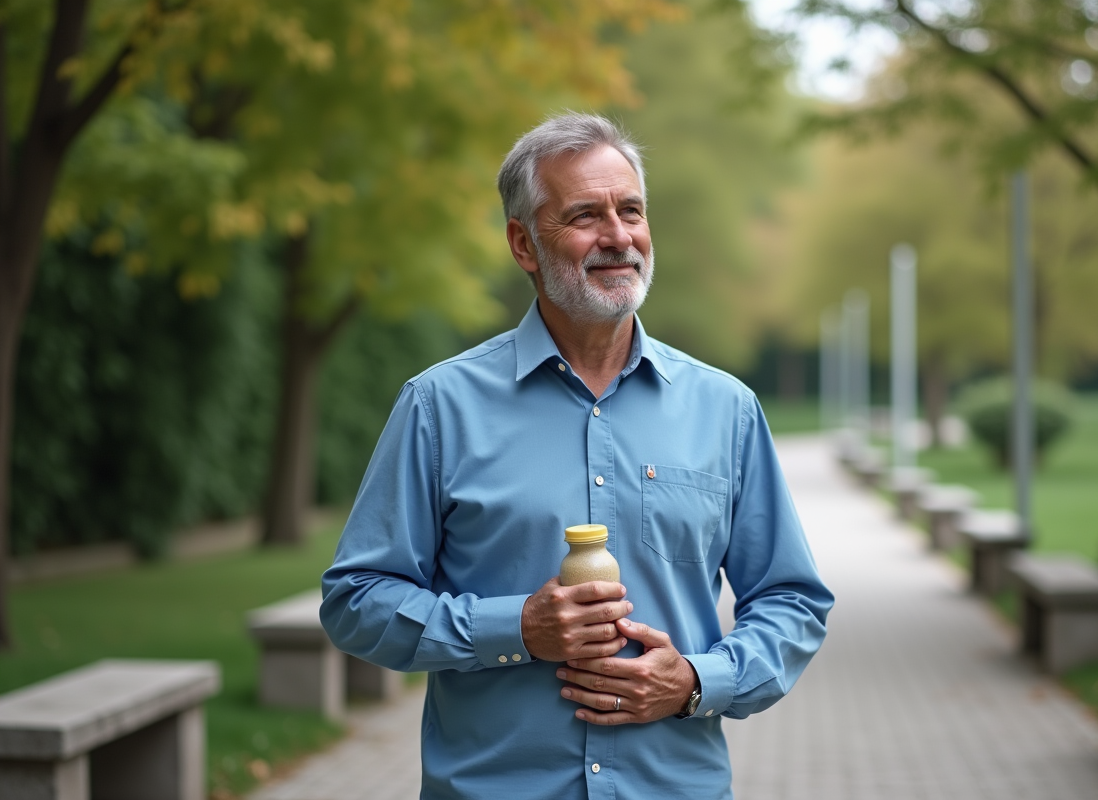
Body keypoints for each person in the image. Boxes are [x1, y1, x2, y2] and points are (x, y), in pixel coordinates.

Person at [320, 112, 833, 800]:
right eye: (585, 215)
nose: (618, 236)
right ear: (524, 244)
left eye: (631, 211)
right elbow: (356, 601)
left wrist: (699, 680)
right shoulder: (439, 407)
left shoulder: (726, 409)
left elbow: (792, 599)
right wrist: (514, 629)